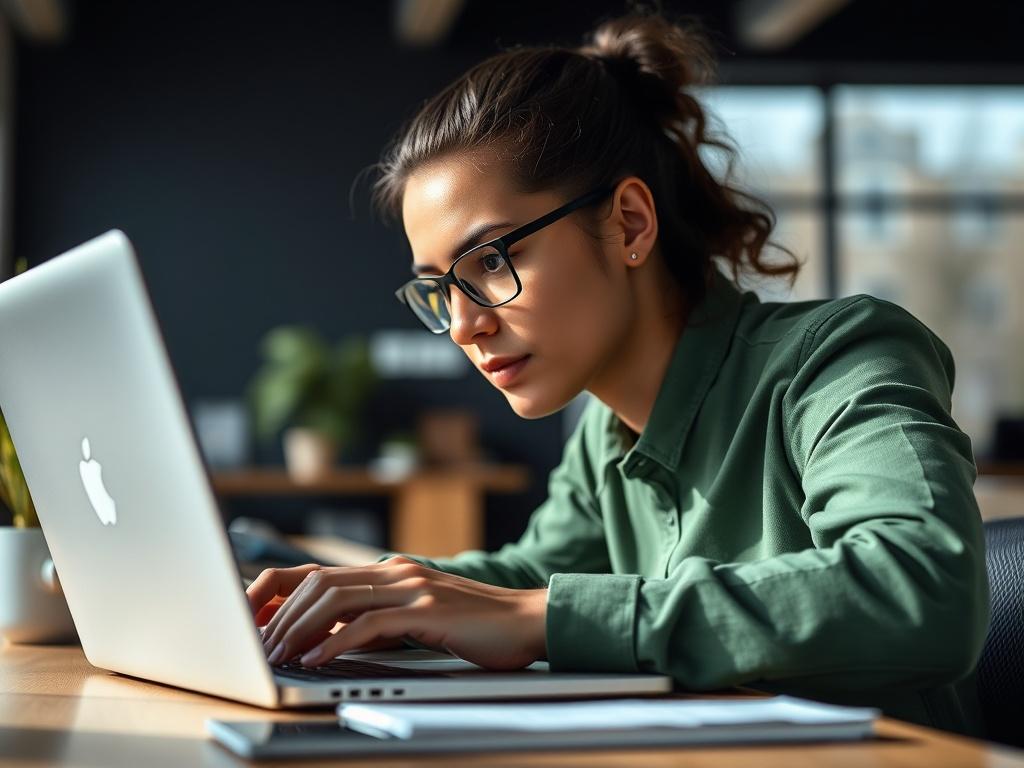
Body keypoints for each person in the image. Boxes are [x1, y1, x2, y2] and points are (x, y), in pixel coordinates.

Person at [246, 11, 989, 736]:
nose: (466, 325)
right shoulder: (605, 430)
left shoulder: (838, 355)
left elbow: (922, 588)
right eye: (441, 289)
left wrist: (534, 617)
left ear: (629, 223)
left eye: (494, 262)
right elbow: (529, 573)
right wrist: (372, 594)